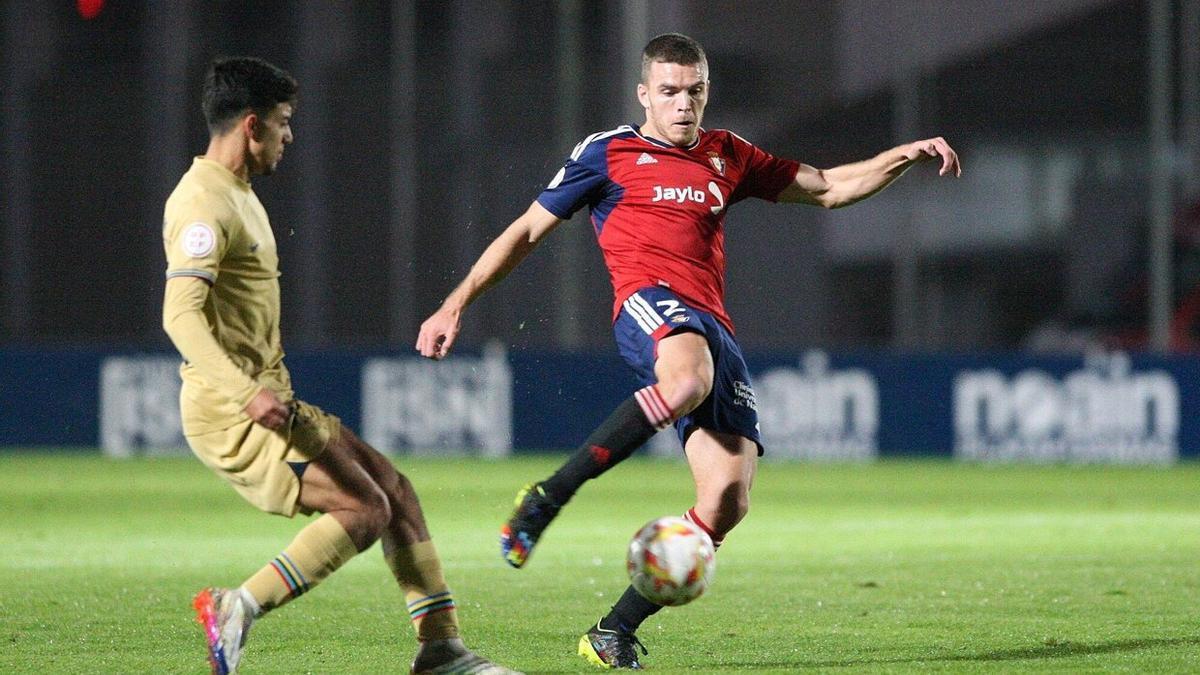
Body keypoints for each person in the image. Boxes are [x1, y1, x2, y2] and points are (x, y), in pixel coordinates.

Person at [416, 33, 961, 669]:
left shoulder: (727, 153)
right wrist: (456, 302)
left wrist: (905, 155)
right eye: (670, 92)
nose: (683, 104)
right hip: (649, 304)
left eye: (694, 91)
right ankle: (548, 495)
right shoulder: (607, 153)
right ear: (645, 94)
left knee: (728, 500)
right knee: (687, 378)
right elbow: (527, 231)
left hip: (712, 325)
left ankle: (612, 630)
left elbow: (828, 188)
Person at [162, 56, 520, 675]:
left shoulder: (236, 193)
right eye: (282, 123)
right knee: (364, 509)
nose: (288, 136)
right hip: (234, 413)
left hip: (272, 399)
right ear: (251, 125)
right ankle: (236, 606)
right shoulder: (202, 205)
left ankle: (441, 650)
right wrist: (246, 394)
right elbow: (181, 317)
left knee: (396, 492)